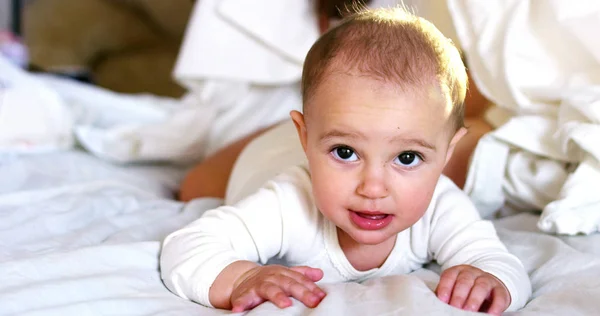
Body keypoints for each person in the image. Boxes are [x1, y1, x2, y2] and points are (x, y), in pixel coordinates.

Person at [160, 7, 530, 314]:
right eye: (346, 152)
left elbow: (497, 261)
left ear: (446, 153)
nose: (372, 187)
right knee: (194, 186)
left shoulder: (442, 205)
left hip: (310, 135)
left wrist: (489, 278)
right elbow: (186, 247)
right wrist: (241, 277)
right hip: (265, 154)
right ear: (304, 137)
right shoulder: (287, 204)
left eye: (406, 157)